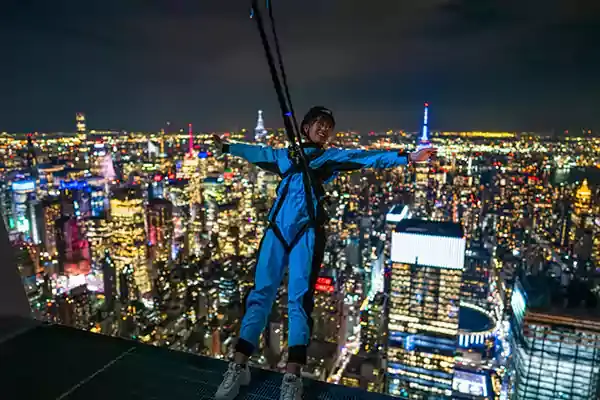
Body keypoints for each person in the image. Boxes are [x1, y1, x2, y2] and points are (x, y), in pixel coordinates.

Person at [213, 106, 437, 400]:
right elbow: (257, 152)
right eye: (318, 123)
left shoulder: (328, 158)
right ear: (305, 127)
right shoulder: (286, 156)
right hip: (277, 230)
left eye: (328, 126)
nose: (324, 129)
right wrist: (228, 147)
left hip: (307, 231)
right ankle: (239, 364)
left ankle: (292, 376)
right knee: (260, 295)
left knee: (299, 300)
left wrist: (408, 157)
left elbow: (365, 157)